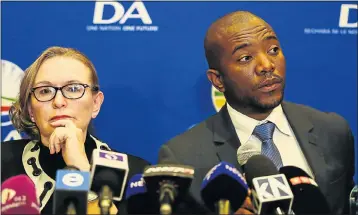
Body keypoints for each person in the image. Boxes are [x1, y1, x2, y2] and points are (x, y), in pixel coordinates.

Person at [158, 11, 355, 214]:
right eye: (245, 58)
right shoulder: (183, 158)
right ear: (217, 80)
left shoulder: (332, 131)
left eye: (273, 50)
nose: (267, 65)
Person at [1, 46, 150, 214]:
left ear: (95, 103)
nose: (58, 101)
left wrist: (82, 170)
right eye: (45, 91)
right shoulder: (3, 162)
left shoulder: (134, 175)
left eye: (73, 89)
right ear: (30, 110)